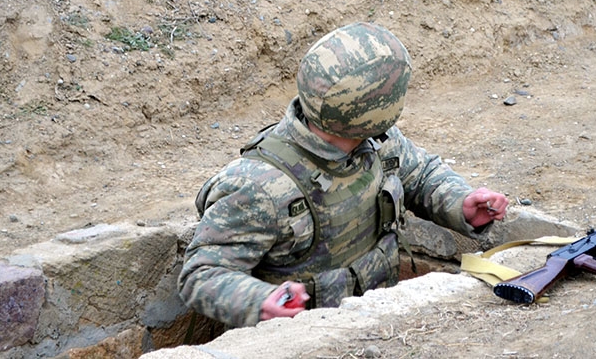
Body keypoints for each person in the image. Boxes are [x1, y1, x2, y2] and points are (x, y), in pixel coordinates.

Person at [178, 22, 509, 328]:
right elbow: (201, 274)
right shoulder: (258, 186)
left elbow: (422, 174)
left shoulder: (379, 141)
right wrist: (259, 301)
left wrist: (460, 203)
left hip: (377, 326)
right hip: (299, 340)